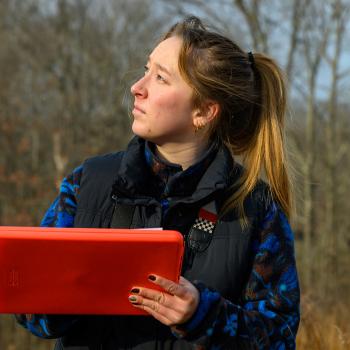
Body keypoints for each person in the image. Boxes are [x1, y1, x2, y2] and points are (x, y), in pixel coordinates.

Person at [15, 16, 300, 350]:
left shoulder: (256, 209)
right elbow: (30, 311)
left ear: (204, 112)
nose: (137, 86)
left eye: (161, 78)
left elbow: (279, 337)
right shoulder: (87, 182)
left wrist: (203, 314)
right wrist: (69, 292)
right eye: (145, 69)